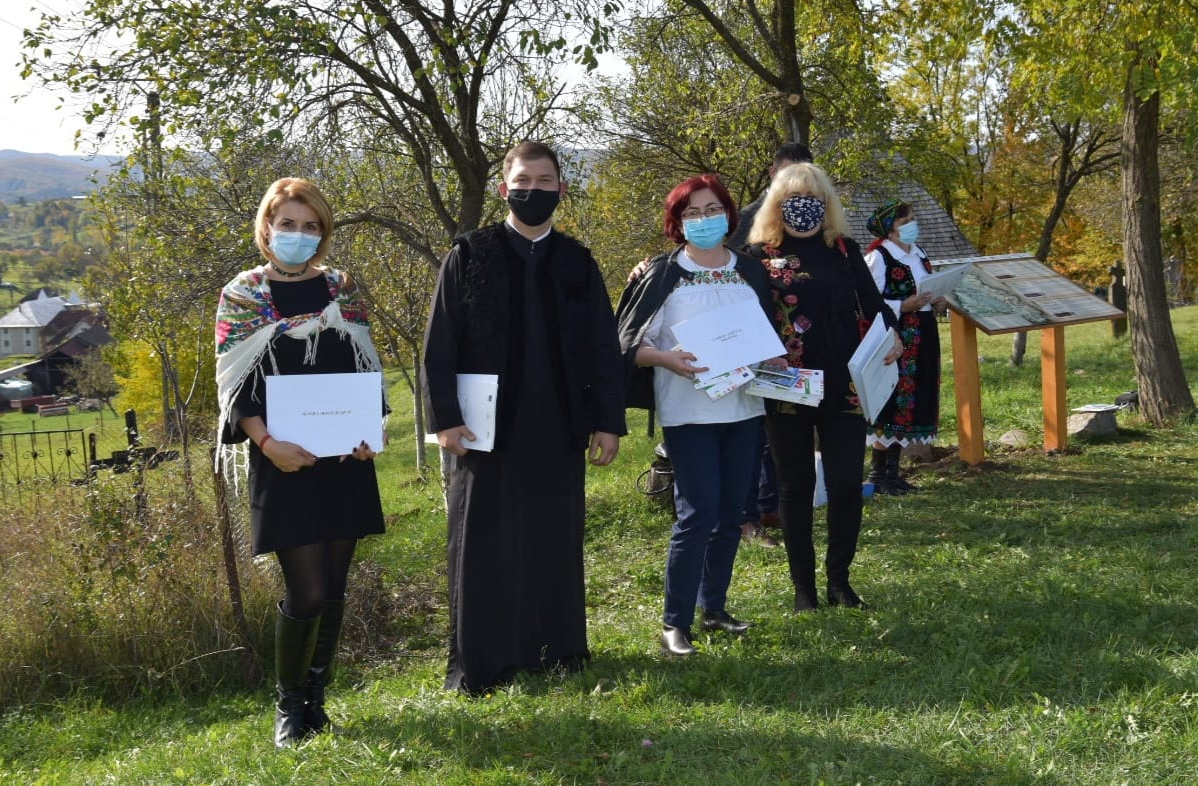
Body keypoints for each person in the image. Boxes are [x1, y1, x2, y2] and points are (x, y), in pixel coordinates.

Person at [422, 141, 626, 694]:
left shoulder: (578, 261)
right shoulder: (470, 254)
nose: (533, 190)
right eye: (523, 182)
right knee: (484, 542)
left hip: (560, 425)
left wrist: (608, 421)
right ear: (503, 188)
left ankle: (556, 652)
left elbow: (603, 347)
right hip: (485, 429)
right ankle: (484, 661)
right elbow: (439, 345)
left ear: (561, 189)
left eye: (544, 181)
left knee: (553, 538)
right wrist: (445, 419)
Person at [214, 177, 386, 748]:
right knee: (307, 590)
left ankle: (317, 700)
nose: (298, 234)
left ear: (324, 233)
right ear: (267, 228)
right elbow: (235, 388)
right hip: (282, 462)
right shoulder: (243, 294)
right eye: (287, 224)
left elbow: (365, 366)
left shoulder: (342, 289)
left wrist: (369, 432)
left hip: (344, 461)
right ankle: (288, 706)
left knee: (334, 588)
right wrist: (267, 445)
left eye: (311, 226)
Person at [616, 174, 780, 656]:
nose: (703, 220)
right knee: (698, 513)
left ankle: (715, 608)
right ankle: (675, 623)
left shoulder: (750, 271)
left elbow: (768, 331)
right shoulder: (661, 273)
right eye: (692, 213)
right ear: (677, 222)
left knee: (731, 514)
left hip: (744, 408)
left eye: (712, 211)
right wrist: (666, 359)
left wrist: (773, 357)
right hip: (688, 413)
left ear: (729, 216)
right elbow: (629, 344)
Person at [748, 163, 901, 611]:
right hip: (786, 386)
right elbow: (728, 298)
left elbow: (874, 305)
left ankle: (840, 582)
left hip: (845, 384)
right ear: (776, 204)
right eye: (793, 197)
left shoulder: (843, 249)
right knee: (794, 489)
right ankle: (804, 590)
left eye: (813, 197)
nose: (804, 206)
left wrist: (892, 336)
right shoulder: (756, 255)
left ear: (827, 202)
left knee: (847, 485)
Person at [730, 141, 814, 547]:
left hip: (797, 352)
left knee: (777, 439)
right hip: (754, 344)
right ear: (773, 174)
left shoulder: (815, 225)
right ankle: (746, 517)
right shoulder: (745, 219)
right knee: (754, 435)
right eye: (788, 175)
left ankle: (772, 506)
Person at [864, 200, 945, 495]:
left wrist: (938, 300)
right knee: (891, 398)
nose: (912, 224)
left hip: (923, 333)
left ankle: (893, 473)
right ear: (890, 229)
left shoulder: (918, 253)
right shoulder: (879, 257)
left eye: (912, 218)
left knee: (909, 402)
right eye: (904, 221)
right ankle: (877, 474)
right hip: (895, 335)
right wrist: (902, 305)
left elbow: (927, 287)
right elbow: (867, 300)